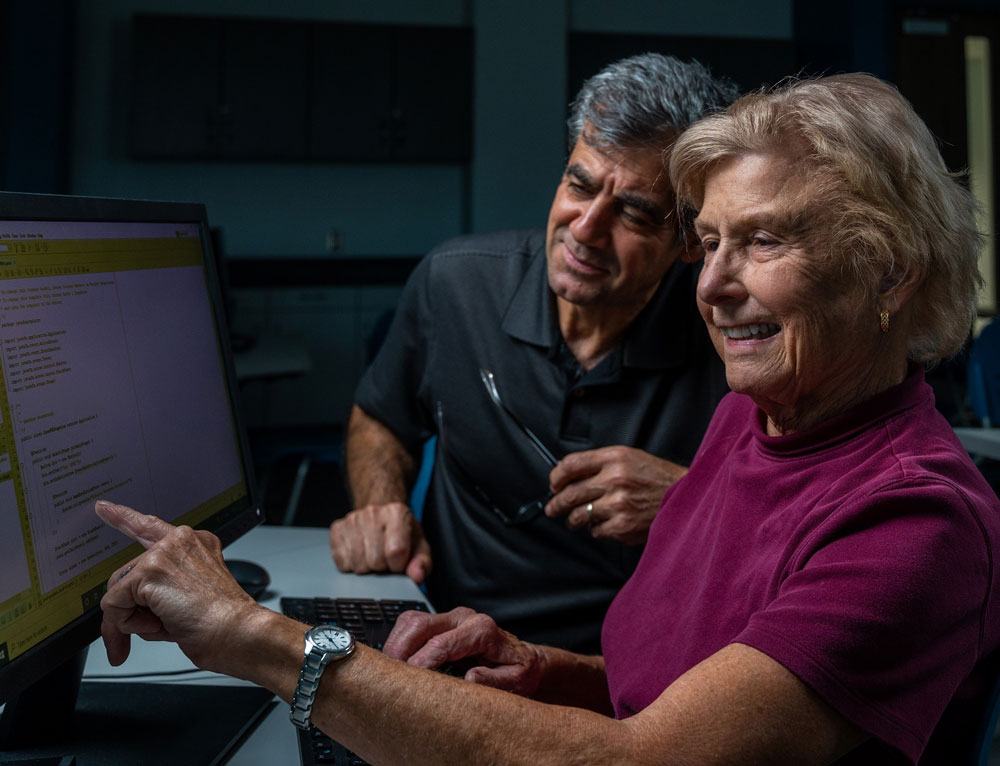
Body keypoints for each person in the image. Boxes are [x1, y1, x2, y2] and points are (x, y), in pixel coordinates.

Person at [98, 73, 1000, 763]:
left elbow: (651, 758)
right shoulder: (754, 417)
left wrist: (258, 639)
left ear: (891, 275)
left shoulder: (913, 519)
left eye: (764, 240)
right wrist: (542, 670)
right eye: (713, 242)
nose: (714, 287)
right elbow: (679, 695)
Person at [330, 54, 736, 653]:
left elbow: (800, 527)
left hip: (619, 679)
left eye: (634, 212)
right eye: (580, 184)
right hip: (439, 647)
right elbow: (380, 418)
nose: (586, 228)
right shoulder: (454, 285)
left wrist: (689, 502)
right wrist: (380, 504)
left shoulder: (733, 344)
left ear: (688, 243)